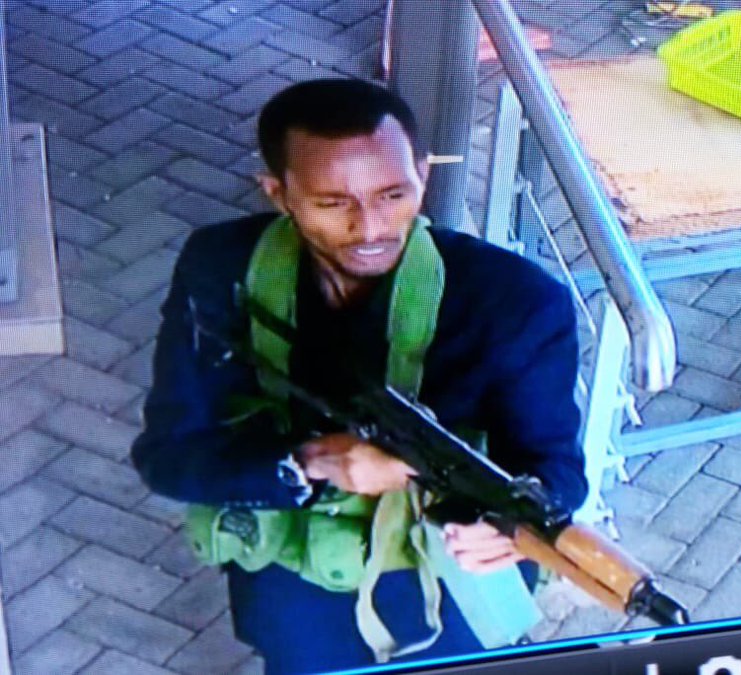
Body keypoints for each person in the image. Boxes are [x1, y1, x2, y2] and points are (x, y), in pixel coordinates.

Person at [132, 78, 587, 674]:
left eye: (393, 194)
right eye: (332, 203)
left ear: (423, 174)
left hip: (444, 586)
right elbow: (167, 456)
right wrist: (311, 463)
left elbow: (557, 471)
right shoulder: (223, 267)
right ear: (278, 193)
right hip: (296, 572)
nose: (370, 227)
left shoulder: (516, 301)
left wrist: (508, 527)